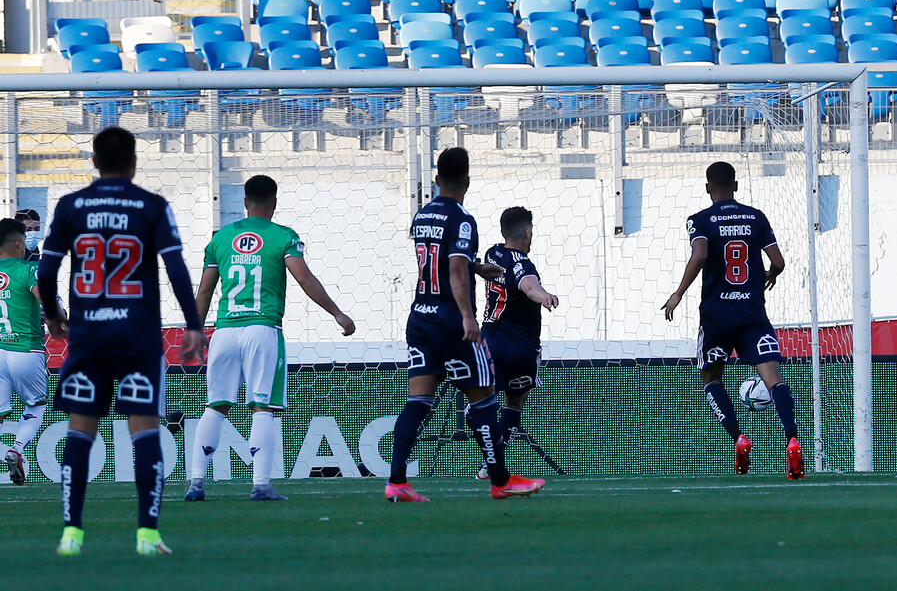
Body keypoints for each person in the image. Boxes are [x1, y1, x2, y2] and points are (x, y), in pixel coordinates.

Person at [37, 126, 205, 556]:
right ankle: (148, 535)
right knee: (144, 430)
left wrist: (55, 315)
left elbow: (45, 271)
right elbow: (176, 268)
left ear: (94, 161)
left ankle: (71, 534)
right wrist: (192, 325)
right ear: (134, 163)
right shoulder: (151, 205)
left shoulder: (71, 205)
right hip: (139, 337)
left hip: (90, 336)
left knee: (80, 432)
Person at [386, 147, 545, 502]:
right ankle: (500, 479)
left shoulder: (421, 215)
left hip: (420, 316)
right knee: (485, 398)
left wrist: (476, 266)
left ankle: (397, 481)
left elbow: (439, 258)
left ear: (437, 178)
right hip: (451, 320)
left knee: (419, 400)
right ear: (468, 181)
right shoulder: (462, 219)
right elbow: (455, 267)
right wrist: (469, 317)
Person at [186, 175, 355, 502]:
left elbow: (205, 290)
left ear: (245, 202)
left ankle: (196, 482)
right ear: (274, 203)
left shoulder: (220, 239)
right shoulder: (283, 237)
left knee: (215, 406)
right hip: (263, 330)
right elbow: (304, 277)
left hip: (224, 331)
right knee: (263, 408)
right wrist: (336, 313)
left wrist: (195, 329)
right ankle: (261, 484)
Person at [662, 161, 805, 480]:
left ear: (708, 188)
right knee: (773, 378)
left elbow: (700, 254)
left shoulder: (699, 220)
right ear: (736, 186)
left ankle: (739, 438)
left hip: (717, 315)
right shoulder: (756, 217)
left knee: (711, 377)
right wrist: (769, 275)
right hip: (752, 312)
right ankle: (792, 441)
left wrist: (678, 293)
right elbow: (778, 262)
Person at [474, 206, 558, 480]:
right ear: (528, 231)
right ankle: (493, 462)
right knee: (514, 402)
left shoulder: (492, 253)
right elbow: (528, 284)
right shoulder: (523, 263)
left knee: (482, 403)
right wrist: (543, 295)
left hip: (490, 341)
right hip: (521, 347)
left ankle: (490, 459)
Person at [0, 219, 59, 484]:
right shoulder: (28, 269)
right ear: (19, 243)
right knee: (36, 405)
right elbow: (46, 300)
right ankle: (17, 449)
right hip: (27, 350)